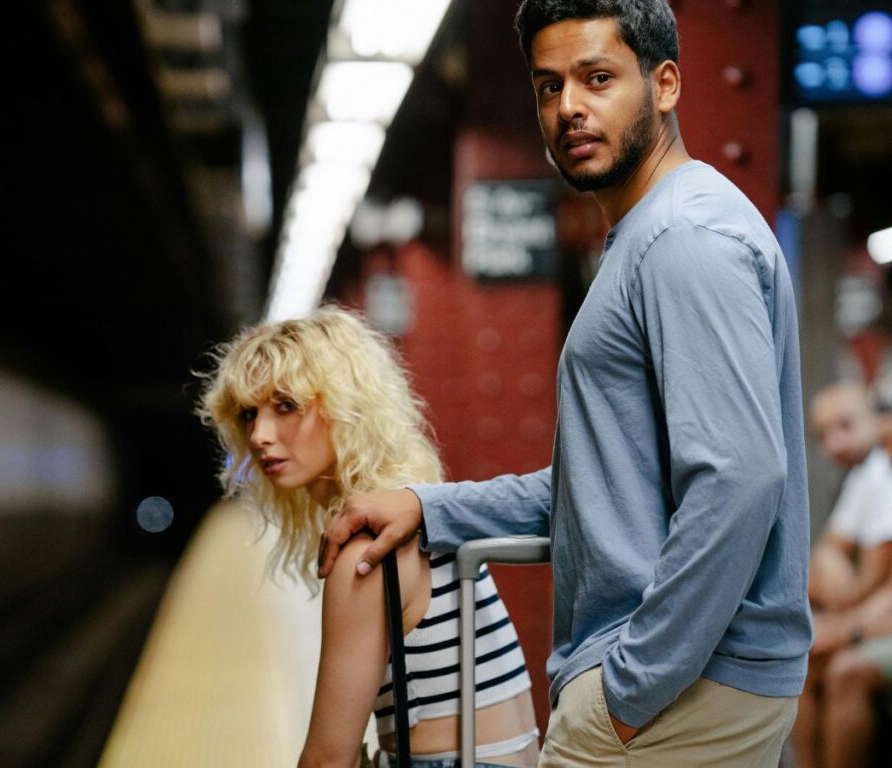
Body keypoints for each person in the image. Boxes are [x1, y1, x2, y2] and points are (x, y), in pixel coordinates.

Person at [318, 1, 811, 765]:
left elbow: (740, 478)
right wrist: (429, 506)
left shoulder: (683, 241)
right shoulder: (652, 235)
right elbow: (605, 486)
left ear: (667, 84)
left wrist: (630, 691)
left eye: (598, 78)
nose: (569, 107)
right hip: (691, 687)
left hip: (674, 694)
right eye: (549, 87)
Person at [198, 306, 540, 768]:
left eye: (286, 406)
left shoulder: (368, 547)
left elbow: (328, 760)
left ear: (346, 408)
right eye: (247, 415)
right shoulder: (416, 515)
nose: (259, 435)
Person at [791, 384, 892, 768]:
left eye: (846, 426)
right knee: (799, 661)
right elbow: (828, 553)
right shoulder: (865, 476)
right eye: (823, 434)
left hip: (873, 624)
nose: (834, 443)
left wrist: (847, 628)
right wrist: (830, 564)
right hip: (870, 614)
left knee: (844, 669)